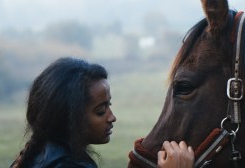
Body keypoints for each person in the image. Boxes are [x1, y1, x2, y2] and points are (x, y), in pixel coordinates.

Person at [10, 57, 194, 168]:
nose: (112, 117)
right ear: (69, 119)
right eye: (100, 111)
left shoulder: (35, 157)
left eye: (109, 105)